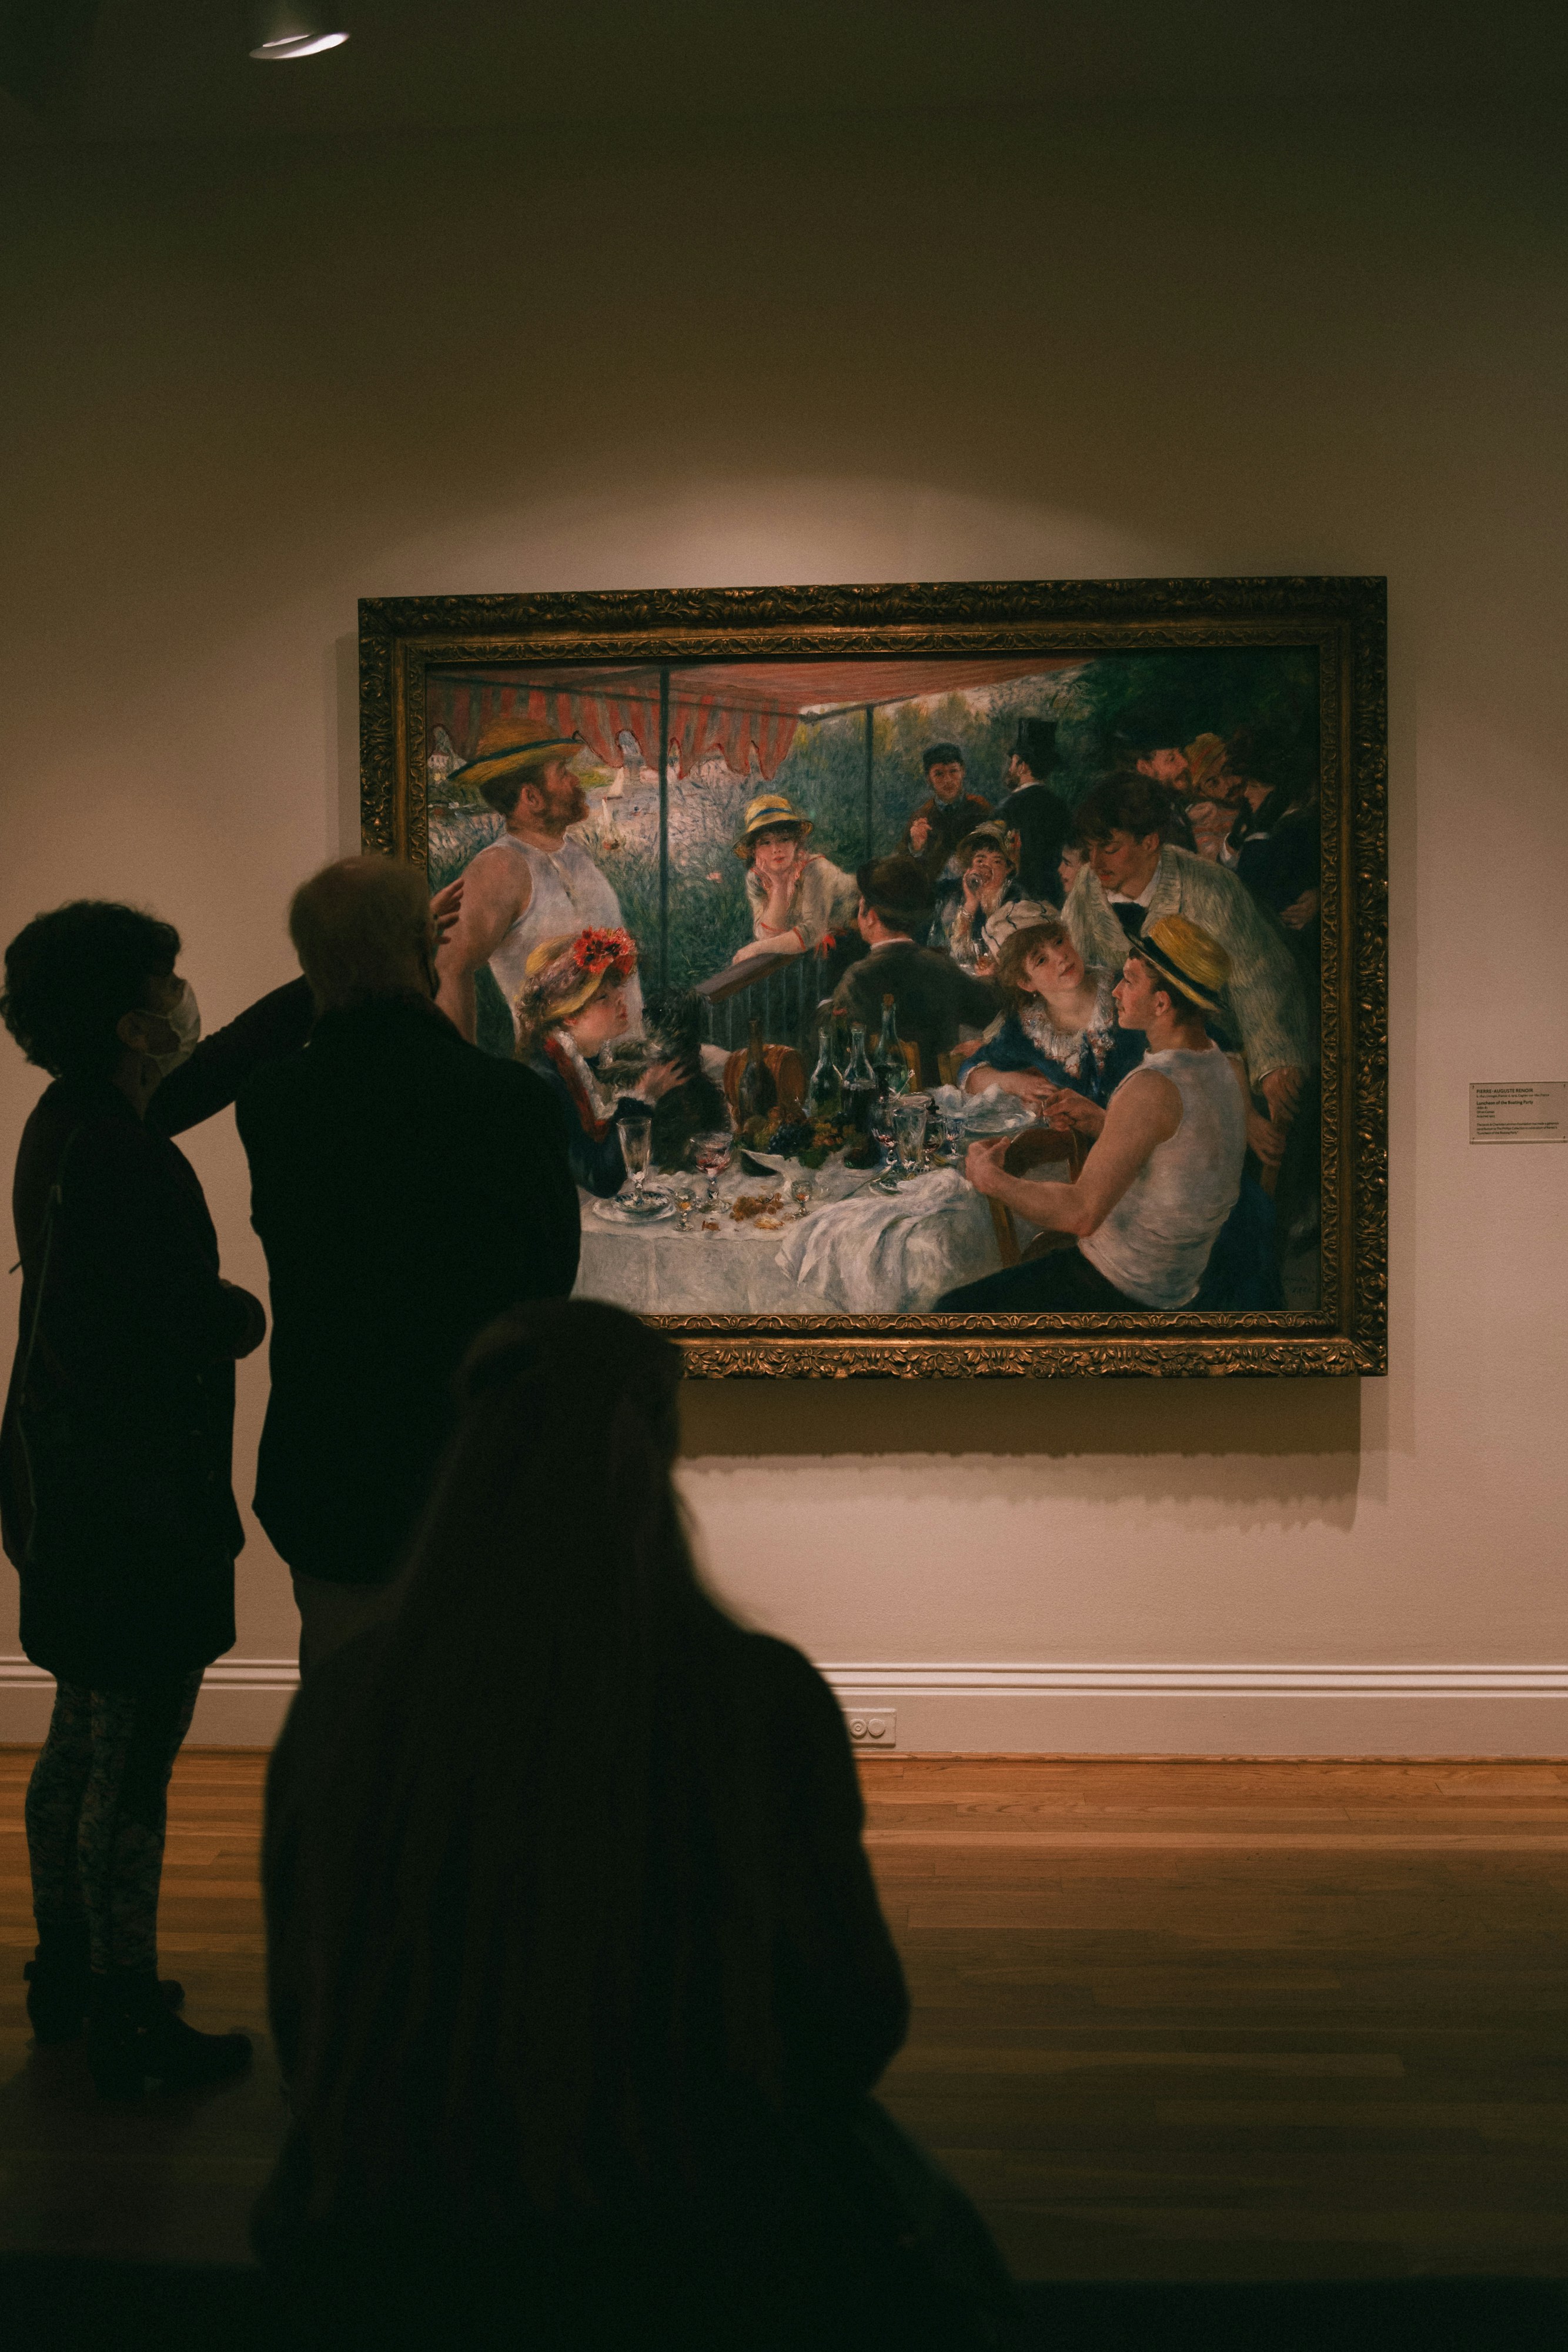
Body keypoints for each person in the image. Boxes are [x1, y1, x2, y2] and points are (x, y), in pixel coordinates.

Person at [255, 1299, 1012, 2351]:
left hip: (395, 2247)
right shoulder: (759, 1701)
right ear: (659, 1446)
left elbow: (306, 2019)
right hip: (704, 2243)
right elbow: (851, 2017)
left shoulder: (347, 1707)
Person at [0, 899, 318, 2093]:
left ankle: (68, 1973)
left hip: (66, 1489)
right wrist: (238, 1313)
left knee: (80, 1735)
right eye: (169, 982)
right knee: (131, 1764)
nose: (184, 999)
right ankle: (126, 2012)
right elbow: (168, 1326)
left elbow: (203, 1074)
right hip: (134, 1505)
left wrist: (303, 997)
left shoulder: (70, 1120)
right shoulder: (130, 1156)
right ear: (135, 1018)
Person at [236, 858, 580, 1675]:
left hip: (332, 1464)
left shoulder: (277, 1103)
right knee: (483, 1732)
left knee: (348, 1737)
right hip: (477, 1467)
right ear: (425, 949)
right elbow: (550, 1286)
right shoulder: (511, 1104)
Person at [936, 918, 1248, 1313]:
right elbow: (1179, 1148)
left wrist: (991, 1179)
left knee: (949, 1311)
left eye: (1130, 982)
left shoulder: (1150, 1086)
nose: (1115, 988)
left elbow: (1081, 1214)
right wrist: (1106, 1122)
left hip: (1124, 1288)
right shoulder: (1220, 1065)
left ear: (1161, 1003)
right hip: (1177, 1277)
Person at [1064, 770, 1313, 1170]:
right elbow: (1069, 971)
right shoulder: (1087, 890)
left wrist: (1275, 1062)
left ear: (1149, 843)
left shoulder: (1210, 890)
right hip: (1126, 1050)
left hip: (1211, 1053)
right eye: (1089, 848)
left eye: (1108, 848)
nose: (1093, 863)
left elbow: (1262, 980)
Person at [434, 713, 642, 1044]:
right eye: (563, 774)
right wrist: (465, 1070)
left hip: (623, 1064)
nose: (576, 781)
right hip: (559, 1077)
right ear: (532, 797)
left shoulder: (572, 851)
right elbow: (450, 967)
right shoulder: (501, 867)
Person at [516, 926, 686, 1196]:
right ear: (570, 1015)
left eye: (616, 987)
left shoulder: (600, 1057)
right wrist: (641, 1097)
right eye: (603, 997)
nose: (621, 999)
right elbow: (599, 1179)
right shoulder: (545, 1078)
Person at [830, 856, 998, 1087]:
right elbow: (987, 1008)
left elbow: (836, 1045)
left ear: (870, 917)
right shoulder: (941, 967)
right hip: (938, 1095)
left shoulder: (858, 978)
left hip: (880, 1098)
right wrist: (989, 978)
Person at [958, 918, 1143, 1112]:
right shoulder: (1029, 1027)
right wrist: (1015, 1082)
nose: (1060, 956)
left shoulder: (1126, 988)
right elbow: (969, 1073)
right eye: (1041, 960)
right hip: (1075, 1138)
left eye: (1059, 942)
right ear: (1026, 983)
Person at [729, 793, 859, 965]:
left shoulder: (817, 869)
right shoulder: (757, 878)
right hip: (823, 954)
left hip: (862, 935)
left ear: (796, 843)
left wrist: (756, 949)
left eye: (784, 839)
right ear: (754, 851)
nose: (776, 849)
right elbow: (768, 935)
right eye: (765, 843)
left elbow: (811, 932)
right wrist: (779, 886)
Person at [942, 822, 1048, 977]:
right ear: (970, 866)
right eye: (980, 860)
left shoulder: (1017, 899)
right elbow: (960, 956)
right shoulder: (962, 897)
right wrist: (971, 904)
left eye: (997, 861)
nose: (987, 866)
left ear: (1008, 868)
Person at [991, 718, 1074, 906]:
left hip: (1016, 901)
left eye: (1012, 763)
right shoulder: (1061, 807)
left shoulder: (1006, 810)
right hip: (1055, 900)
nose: (1010, 768)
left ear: (1023, 766)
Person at [904, 741, 991, 905]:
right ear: (929, 779)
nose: (948, 780)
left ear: (963, 771)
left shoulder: (981, 809)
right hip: (932, 898)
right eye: (939, 774)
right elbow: (906, 867)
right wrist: (916, 847)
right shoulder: (922, 816)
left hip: (976, 893)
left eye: (953, 771)